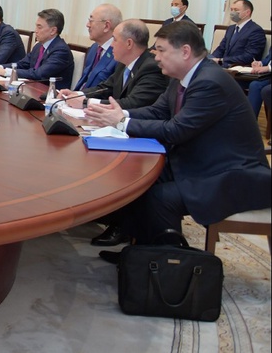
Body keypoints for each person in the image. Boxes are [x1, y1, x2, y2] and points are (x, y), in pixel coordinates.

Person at [86, 21, 271, 257]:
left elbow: (176, 130)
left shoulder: (210, 82)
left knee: (160, 197)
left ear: (185, 51)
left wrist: (121, 123)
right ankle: (138, 256)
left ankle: (165, 263)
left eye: (161, 50)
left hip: (229, 174)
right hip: (198, 160)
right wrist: (121, 114)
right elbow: (158, 111)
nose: (155, 56)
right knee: (136, 176)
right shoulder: (181, 77)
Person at [61, 19, 169, 247]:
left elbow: (135, 102)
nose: (111, 46)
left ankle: (122, 225)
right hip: (121, 128)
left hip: (141, 134)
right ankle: (102, 210)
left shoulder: (150, 67)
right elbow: (106, 88)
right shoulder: (123, 63)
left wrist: (87, 103)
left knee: (106, 163)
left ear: (129, 43)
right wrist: (78, 95)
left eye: (115, 40)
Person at [0, 8, 73, 88]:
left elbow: (38, 74)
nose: (36, 30)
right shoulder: (39, 46)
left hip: (50, 94)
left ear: (53, 31)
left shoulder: (61, 50)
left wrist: (6, 72)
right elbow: (22, 64)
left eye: (39, 27)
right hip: (32, 88)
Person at [74, 4, 122, 90]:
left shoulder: (120, 54)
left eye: (91, 21)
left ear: (106, 26)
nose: (87, 25)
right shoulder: (94, 48)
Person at [210, 0, 265, 68]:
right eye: (231, 10)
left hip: (238, 68)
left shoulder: (256, 31)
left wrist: (221, 60)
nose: (232, 12)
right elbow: (221, 48)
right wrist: (211, 59)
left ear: (247, 12)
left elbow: (249, 57)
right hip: (221, 66)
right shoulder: (231, 28)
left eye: (236, 10)